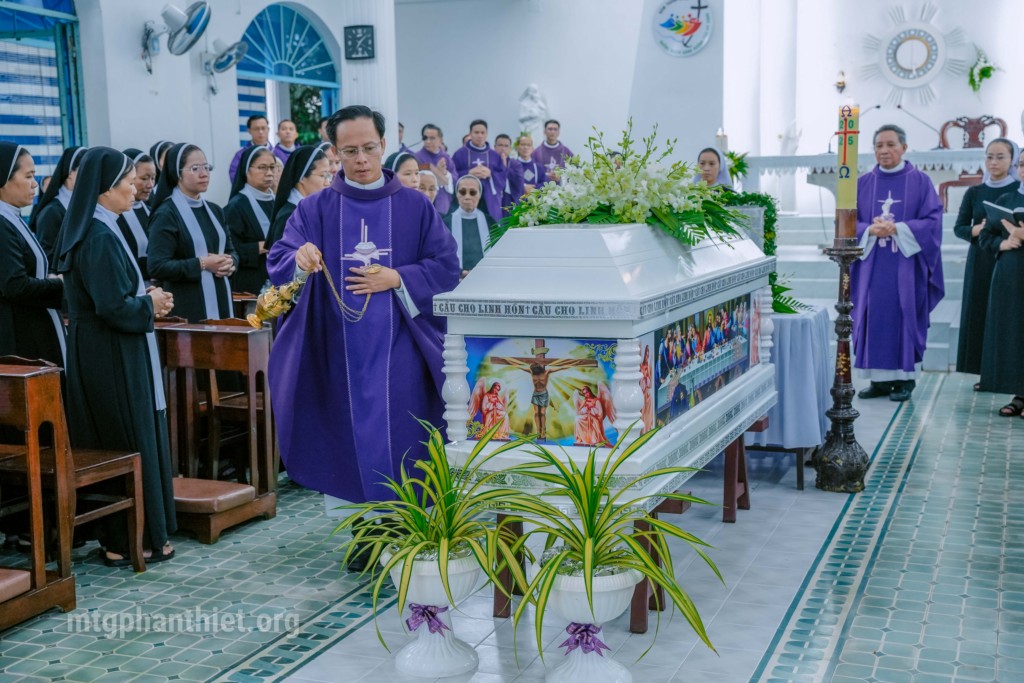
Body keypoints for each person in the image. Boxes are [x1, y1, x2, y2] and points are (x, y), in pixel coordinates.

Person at [266, 105, 460, 570]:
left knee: (404, 438)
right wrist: (301, 258)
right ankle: (365, 533)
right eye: (349, 151)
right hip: (338, 350)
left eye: (369, 148)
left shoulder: (414, 205)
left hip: (401, 348)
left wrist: (398, 277)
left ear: (383, 145)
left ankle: (406, 530)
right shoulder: (315, 209)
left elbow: (446, 266)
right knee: (347, 441)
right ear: (335, 152)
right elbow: (280, 259)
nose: (361, 160)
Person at [54, 146, 177, 567]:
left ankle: (135, 534)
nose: (134, 187)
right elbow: (111, 306)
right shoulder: (98, 235)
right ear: (105, 189)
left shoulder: (101, 227)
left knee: (123, 435)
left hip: (103, 349)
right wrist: (150, 303)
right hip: (111, 353)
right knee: (126, 437)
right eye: (127, 180)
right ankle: (130, 540)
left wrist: (145, 298)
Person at [852, 124, 943, 402]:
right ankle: (879, 381)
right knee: (872, 314)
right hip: (872, 266)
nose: (884, 150)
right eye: (879, 145)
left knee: (904, 314)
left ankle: (905, 380)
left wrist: (898, 229)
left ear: (904, 147)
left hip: (906, 266)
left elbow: (932, 222)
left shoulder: (920, 181)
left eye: (891, 144)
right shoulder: (863, 183)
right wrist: (869, 230)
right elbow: (847, 222)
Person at [954, 138, 1020, 386]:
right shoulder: (975, 192)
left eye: (1000, 157)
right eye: (989, 156)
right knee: (980, 312)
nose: (993, 162)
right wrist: (978, 229)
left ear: (1012, 160)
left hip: (1009, 259)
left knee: (1005, 317)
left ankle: (1004, 372)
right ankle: (983, 372)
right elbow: (960, 228)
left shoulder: (1017, 190)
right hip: (981, 259)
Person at [147, 143, 238, 322]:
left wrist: (231, 262)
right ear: (177, 173)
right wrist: (202, 264)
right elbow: (157, 266)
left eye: (206, 167)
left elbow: (230, 250)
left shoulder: (215, 211)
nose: (204, 174)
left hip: (222, 300)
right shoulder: (166, 214)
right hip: (187, 306)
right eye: (195, 168)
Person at [0, 142, 65, 366]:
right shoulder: (2, 223)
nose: (35, 184)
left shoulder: (12, 216)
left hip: (32, 325)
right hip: (20, 334)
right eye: (28, 176)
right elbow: (15, 285)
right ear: (4, 179)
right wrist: (60, 284)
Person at [978, 156, 1024, 416]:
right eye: (1022, 164)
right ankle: (1019, 393)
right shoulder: (1006, 199)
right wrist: (1003, 243)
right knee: (1014, 333)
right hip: (1011, 275)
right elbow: (986, 236)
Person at [225, 145, 276, 294]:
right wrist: (260, 247)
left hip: (277, 282)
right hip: (249, 286)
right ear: (247, 171)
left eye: (272, 167)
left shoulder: (277, 202)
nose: (269, 173)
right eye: (262, 167)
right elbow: (229, 251)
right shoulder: (236, 206)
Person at [265, 143, 332, 251]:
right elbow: (280, 258)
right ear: (302, 177)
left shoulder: (314, 209)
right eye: (322, 176)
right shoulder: (288, 216)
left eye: (328, 176)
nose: (327, 183)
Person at [30, 145, 85, 262]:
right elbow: (47, 255)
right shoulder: (51, 212)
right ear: (70, 173)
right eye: (85, 169)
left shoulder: (86, 203)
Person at [452, 119, 506, 221]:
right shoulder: (460, 154)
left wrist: (491, 174)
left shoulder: (494, 155)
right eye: (476, 132)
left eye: (482, 133)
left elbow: (502, 178)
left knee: (490, 224)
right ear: (470, 133)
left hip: (489, 199)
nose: (480, 136)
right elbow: (452, 176)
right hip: (468, 197)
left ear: (487, 134)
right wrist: (468, 173)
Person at [116, 149, 158, 280]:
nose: (150, 185)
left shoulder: (152, 210)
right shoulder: (115, 216)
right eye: (144, 178)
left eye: (153, 178)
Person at [443, 175, 495, 277]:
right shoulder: (445, 223)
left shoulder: (490, 222)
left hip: (486, 277)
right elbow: (442, 255)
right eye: (462, 192)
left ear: (479, 195)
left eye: (473, 192)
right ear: (456, 194)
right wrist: (460, 273)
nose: (467, 197)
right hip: (456, 278)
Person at [414, 123, 457, 214]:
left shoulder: (445, 157)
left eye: (432, 138)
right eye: (425, 138)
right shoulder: (417, 157)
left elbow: (455, 178)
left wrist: (445, 174)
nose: (428, 141)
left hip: (444, 202)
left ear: (440, 140)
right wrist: (436, 172)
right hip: (424, 201)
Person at [228, 115, 272, 183]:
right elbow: (235, 176)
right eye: (256, 129)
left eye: (263, 128)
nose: (260, 132)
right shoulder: (241, 154)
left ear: (268, 129)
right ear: (249, 131)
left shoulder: (277, 152)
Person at [532, 119, 573, 184]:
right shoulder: (536, 152)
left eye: (555, 129)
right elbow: (532, 172)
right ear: (544, 131)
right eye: (550, 129)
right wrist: (546, 176)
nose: (552, 132)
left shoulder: (566, 152)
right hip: (542, 188)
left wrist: (561, 177)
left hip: (562, 188)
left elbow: (574, 172)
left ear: (559, 132)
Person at [508, 133, 544, 204]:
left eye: (528, 145)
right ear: (517, 148)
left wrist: (534, 188)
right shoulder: (511, 165)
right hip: (516, 205)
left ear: (532, 148)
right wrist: (523, 187)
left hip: (534, 205)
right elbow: (508, 183)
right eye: (523, 144)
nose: (525, 147)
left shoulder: (538, 167)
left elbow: (544, 184)